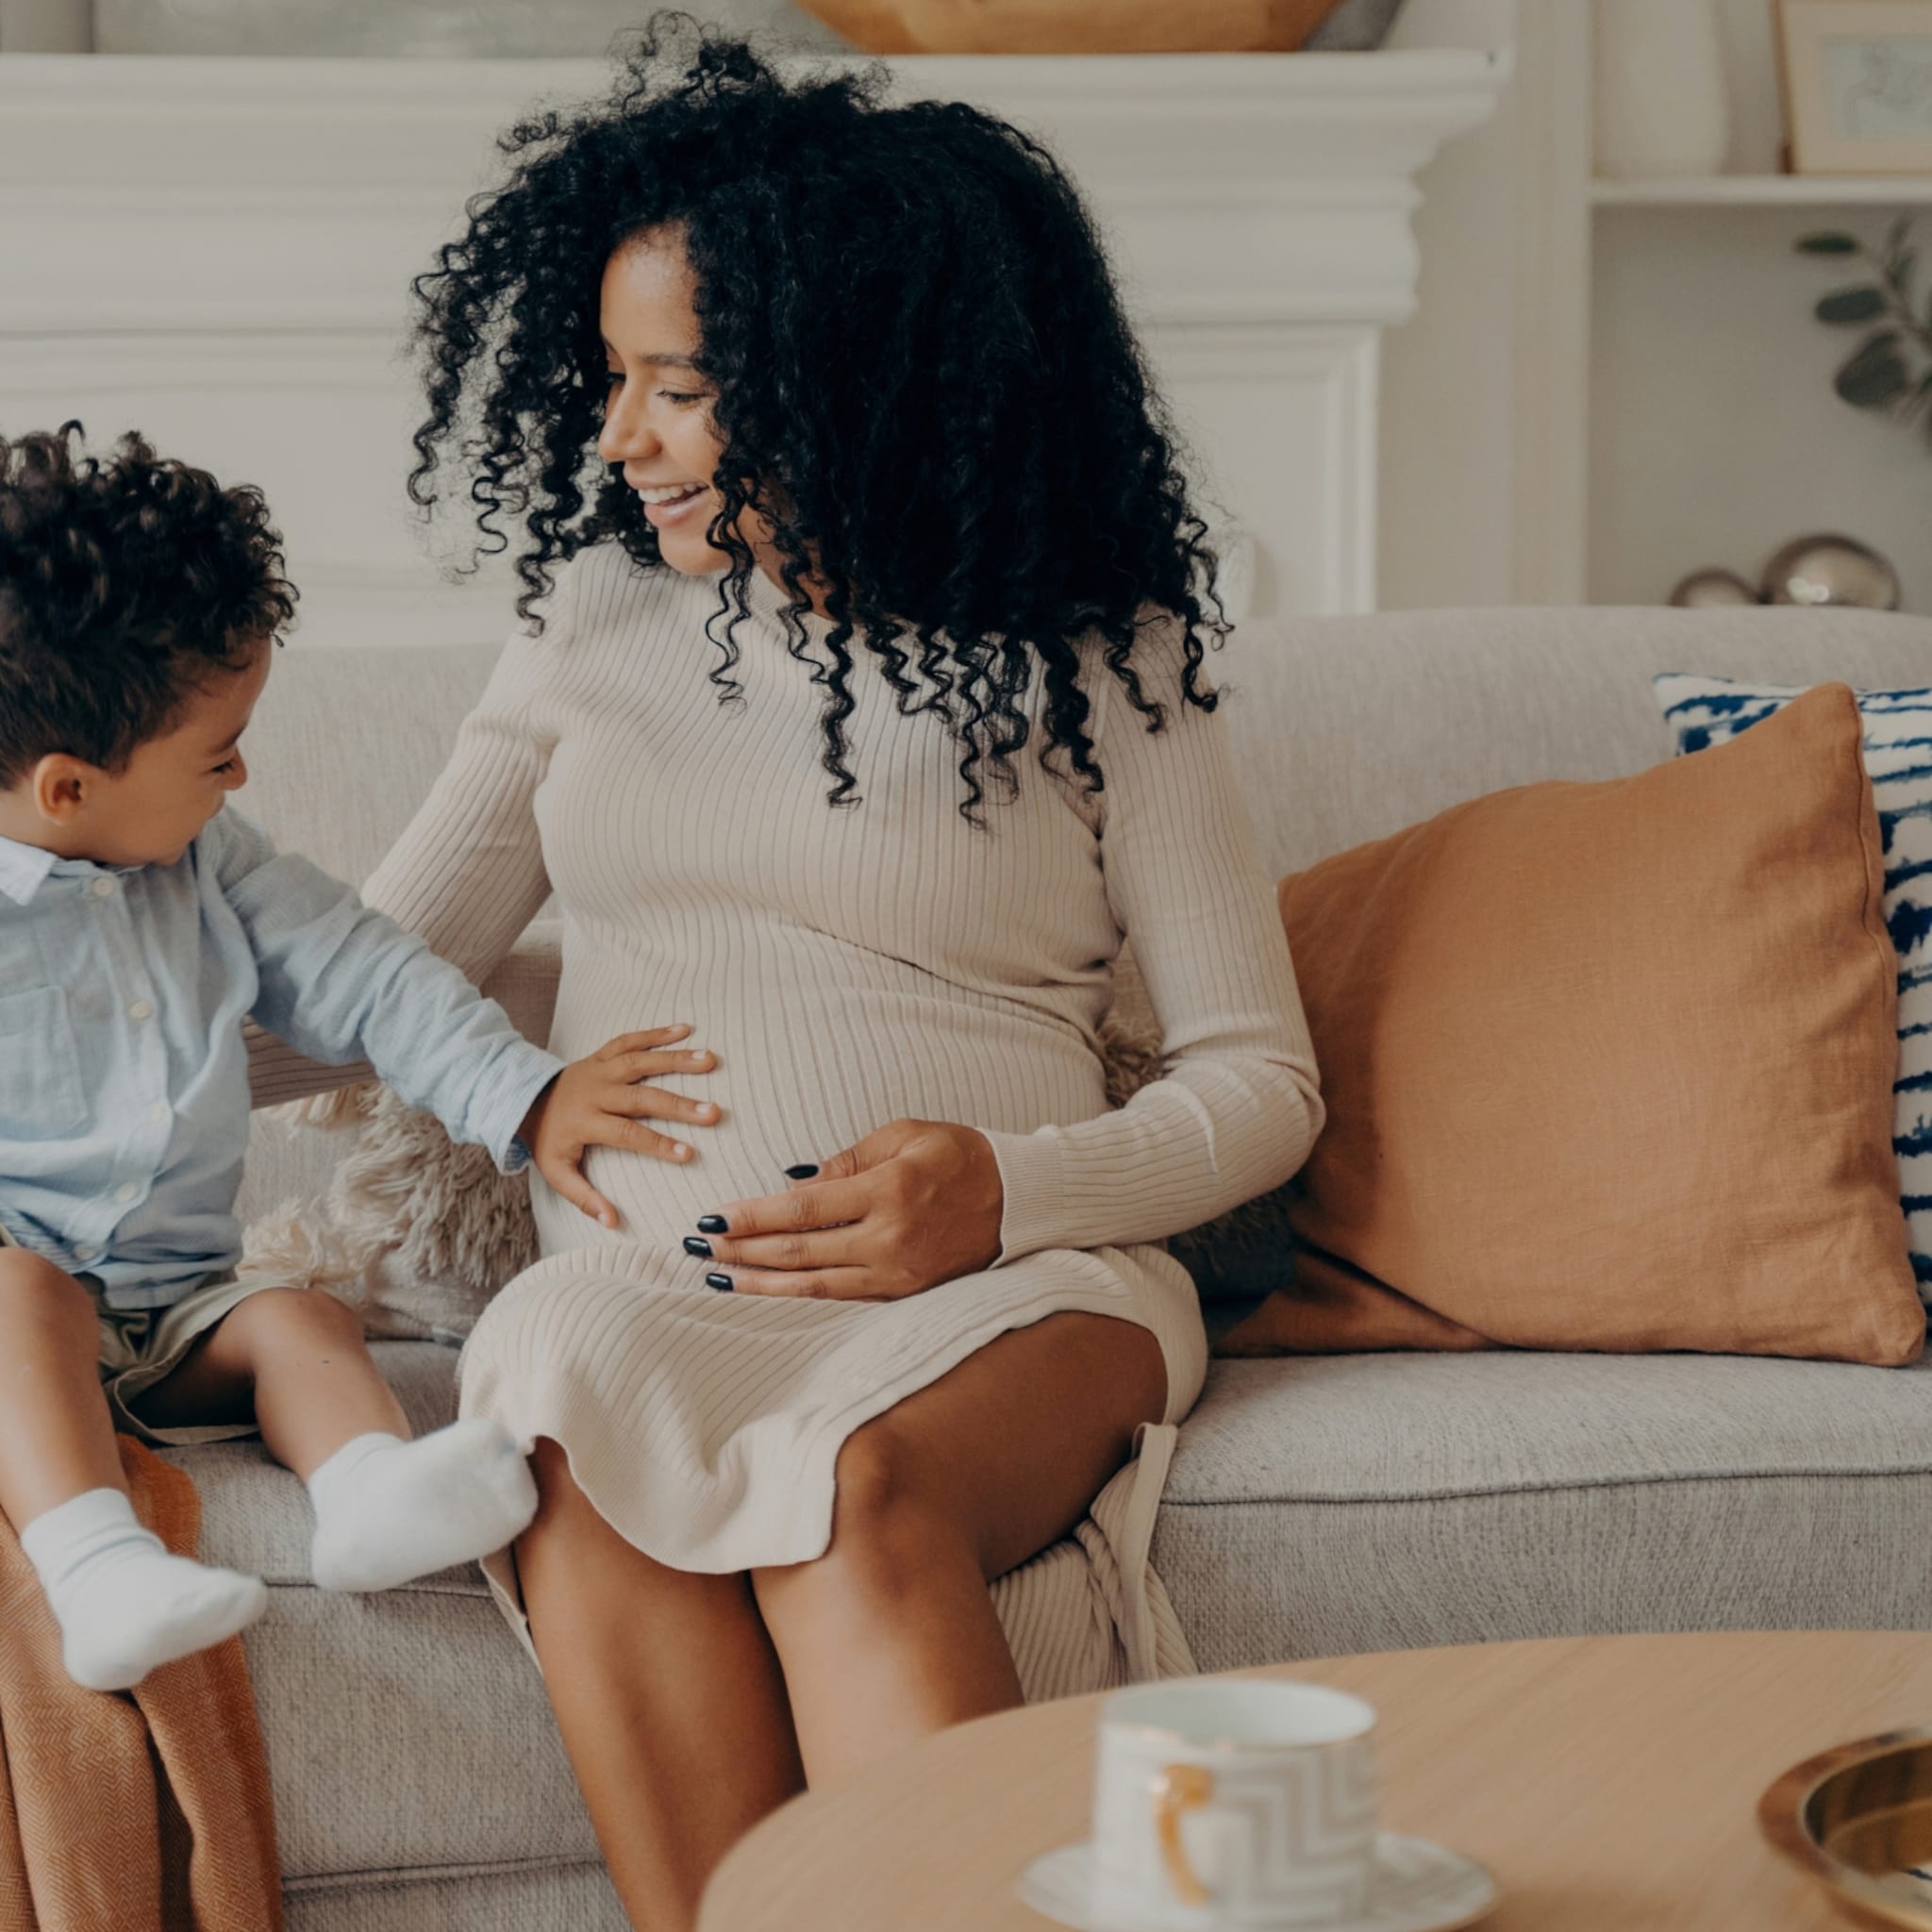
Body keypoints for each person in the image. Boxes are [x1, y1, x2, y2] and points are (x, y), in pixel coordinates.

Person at [275, 21, 1323, 1926]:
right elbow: (353, 973)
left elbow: (1260, 1084)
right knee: (561, 1376)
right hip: (650, 1285)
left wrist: (1007, 1186)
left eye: (679, 387)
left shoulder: (1106, 659)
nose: (621, 437)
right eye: (613, 381)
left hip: (1022, 1288)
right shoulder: (589, 625)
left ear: (858, 380)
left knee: (855, 1490)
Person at [0, 425, 719, 1691]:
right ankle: (96, 1565)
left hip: (176, 1307)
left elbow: (368, 971)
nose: (243, 774)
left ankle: (371, 1494)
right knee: (18, 1296)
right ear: (66, 790)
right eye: (216, 753)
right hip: (14, 1307)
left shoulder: (213, 863)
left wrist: (527, 1092)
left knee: (300, 1315)